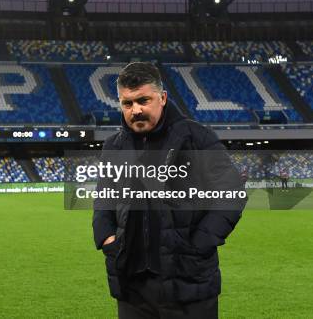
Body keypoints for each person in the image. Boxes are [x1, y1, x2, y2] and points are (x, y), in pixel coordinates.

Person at [92, 62, 246, 319]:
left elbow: (231, 194)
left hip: (188, 285)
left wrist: (198, 244)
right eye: (127, 103)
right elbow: (104, 198)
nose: (136, 110)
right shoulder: (113, 146)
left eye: (143, 100)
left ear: (162, 98)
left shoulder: (198, 138)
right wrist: (107, 238)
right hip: (133, 287)